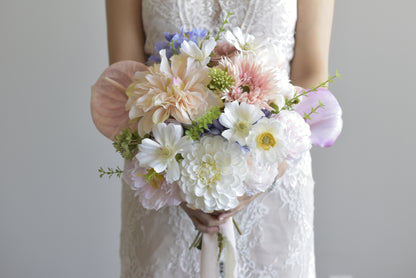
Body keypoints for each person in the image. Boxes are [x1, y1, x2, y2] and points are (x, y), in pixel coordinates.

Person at [105, 0, 334, 277]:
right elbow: (124, 80)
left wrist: (263, 172)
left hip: (275, 169)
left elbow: (311, 72)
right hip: (164, 173)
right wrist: (178, 185)